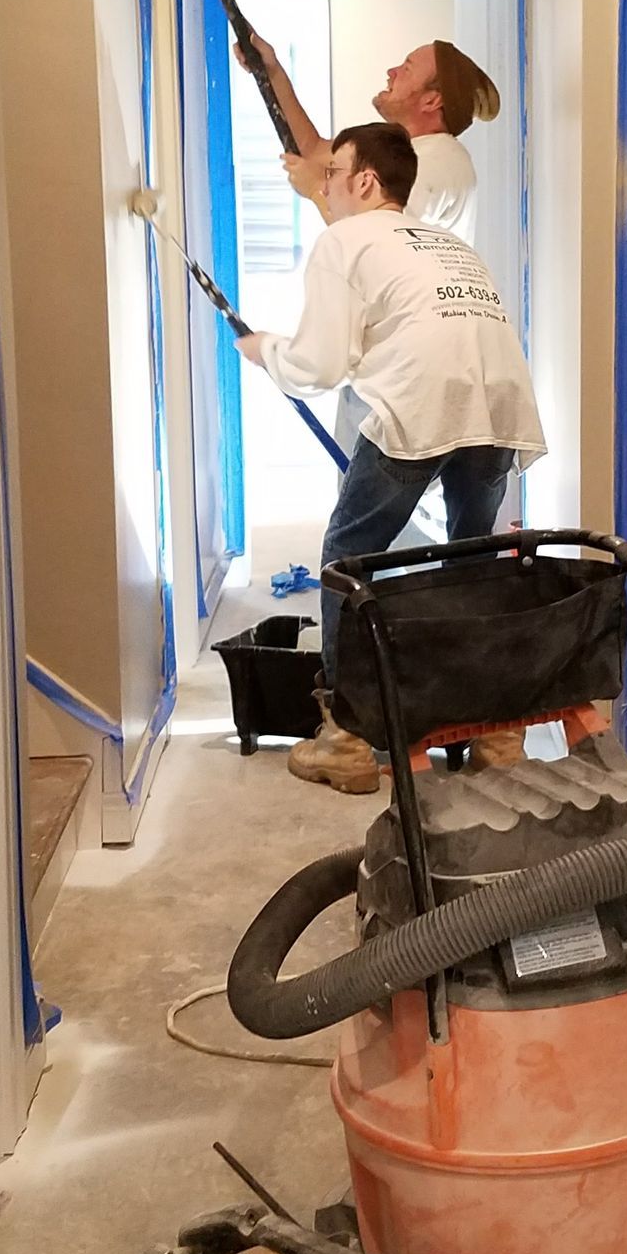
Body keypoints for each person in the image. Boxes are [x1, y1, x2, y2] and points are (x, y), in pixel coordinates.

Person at [238, 121, 544, 794]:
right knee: (473, 562)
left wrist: (266, 351)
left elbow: (320, 363)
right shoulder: (445, 240)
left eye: (332, 174)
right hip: (498, 398)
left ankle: (346, 739)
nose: (323, 186)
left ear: (366, 181)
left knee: (349, 557)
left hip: (422, 395)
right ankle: (495, 730)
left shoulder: (344, 238)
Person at [246, 35, 498, 241]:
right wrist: (272, 70)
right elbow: (311, 151)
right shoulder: (398, 151)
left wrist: (315, 189)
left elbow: (379, 241)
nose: (392, 72)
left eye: (406, 69)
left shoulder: (436, 161)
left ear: (431, 101)